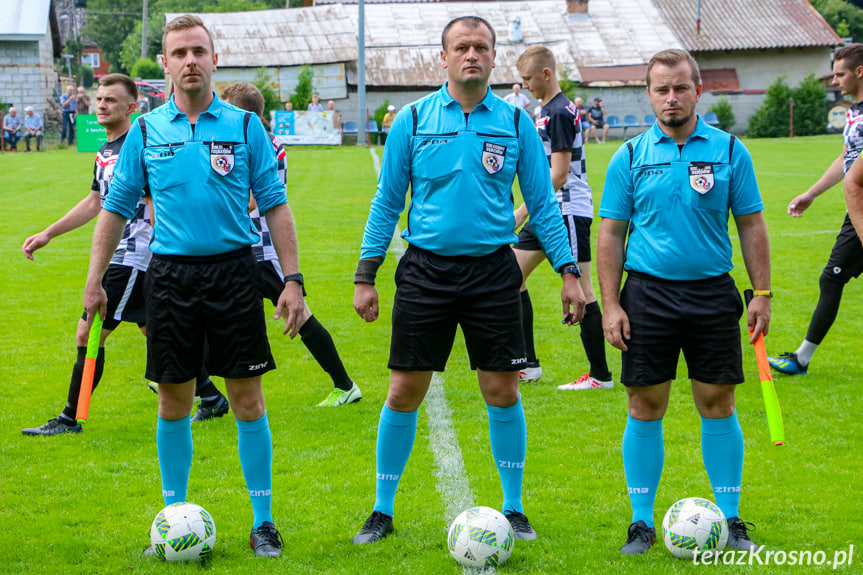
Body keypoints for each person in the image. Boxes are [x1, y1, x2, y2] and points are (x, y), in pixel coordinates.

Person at [350, 15, 585, 545]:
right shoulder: (411, 120)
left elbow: (544, 204)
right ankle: (382, 509)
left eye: (481, 46)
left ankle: (514, 507)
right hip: (425, 271)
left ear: (494, 56)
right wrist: (367, 273)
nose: (471, 54)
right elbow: (387, 202)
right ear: (444, 57)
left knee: (501, 390)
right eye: (461, 47)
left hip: (492, 272)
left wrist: (570, 272)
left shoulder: (516, 123)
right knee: (405, 389)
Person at [82, 15, 303, 558]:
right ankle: (172, 516)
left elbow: (275, 205)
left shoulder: (246, 127)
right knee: (173, 401)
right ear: (165, 64)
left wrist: (292, 281)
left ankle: (264, 522)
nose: (190, 62)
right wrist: (94, 281)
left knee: (247, 399)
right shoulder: (146, 131)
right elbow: (113, 208)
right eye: (179, 53)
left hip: (233, 272)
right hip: (172, 278)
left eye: (198, 51)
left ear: (214, 58)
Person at [597, 48, 769, 555]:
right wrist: (611, 304)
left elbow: (751, 223)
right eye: (660, 89)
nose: (671, 97)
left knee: (718, 403)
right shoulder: (628, 155)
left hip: (713, 293)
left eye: (680, 87)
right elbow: (610, 234)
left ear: (698, 90)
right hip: (647, 295)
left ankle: (733, 519)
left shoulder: (730, 149)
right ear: (649, 94)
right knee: (644, 404)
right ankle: (642, 522)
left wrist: (761, 293)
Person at [21, 75, 155, 435]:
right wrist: (49, 233)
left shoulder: (139, 148)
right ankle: (210, 396)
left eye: (111, 100)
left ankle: (69, 418)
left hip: (132, 255)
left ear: (131, 107)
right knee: (152, 329)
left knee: (87, 333)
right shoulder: (105, 151)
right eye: (98, 99)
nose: (101, 105)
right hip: (122, 255)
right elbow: (95, 201)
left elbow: (156, 204)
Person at [222, 82, 361, 407]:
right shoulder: (258, 141)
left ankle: (344, 385)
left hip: (260, 249)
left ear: (240, 112)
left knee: (299, 317)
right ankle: (202, 390)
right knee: (218, 315)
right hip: (246, 247)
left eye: (225, 107)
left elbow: (256, 198)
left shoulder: (262, 144)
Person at [513, 45, 612, 390]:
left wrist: (520, 214)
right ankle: (527, 364)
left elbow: (558, 174)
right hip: (548, 210)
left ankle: (600, 375)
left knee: (583, 290)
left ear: (546, 74)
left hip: (566, 209)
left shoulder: (558, 111)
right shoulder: (546, 109)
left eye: (527, 79)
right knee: (512, 273)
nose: (524, 85)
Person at [766, 43, 863, 376]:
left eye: (840, 74)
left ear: (860, 72)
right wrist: (811, 194)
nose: (834, 80)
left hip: (860, 209)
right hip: (857, 208)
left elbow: (855, 180)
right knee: (831, 279)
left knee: (831, 278)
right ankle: (802, 358)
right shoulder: (854, 113)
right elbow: (845, 160)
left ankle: (802, 359)